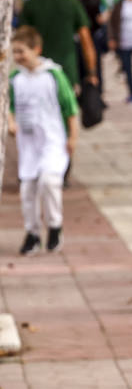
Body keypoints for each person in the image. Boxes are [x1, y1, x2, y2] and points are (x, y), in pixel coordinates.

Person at [9, 27, 78, 255]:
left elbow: (70, 108)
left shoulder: (53, 75)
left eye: (22, 51)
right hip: (28, 143)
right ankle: (33, 232)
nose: (18, 56)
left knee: (49, 181)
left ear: (36, 49)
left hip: (52, 139)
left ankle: (55, 225)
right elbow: (6, 106)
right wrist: (10, 122)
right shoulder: (15, 79)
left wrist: (72, 137)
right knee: (28, 188)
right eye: (15, 52)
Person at [18, 0, 99, 94]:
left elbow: (22, 40)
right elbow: (86, 40)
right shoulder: (71, 3)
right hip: (66, 71)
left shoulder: (30, 5)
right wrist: (92, 72)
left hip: (36, 71)